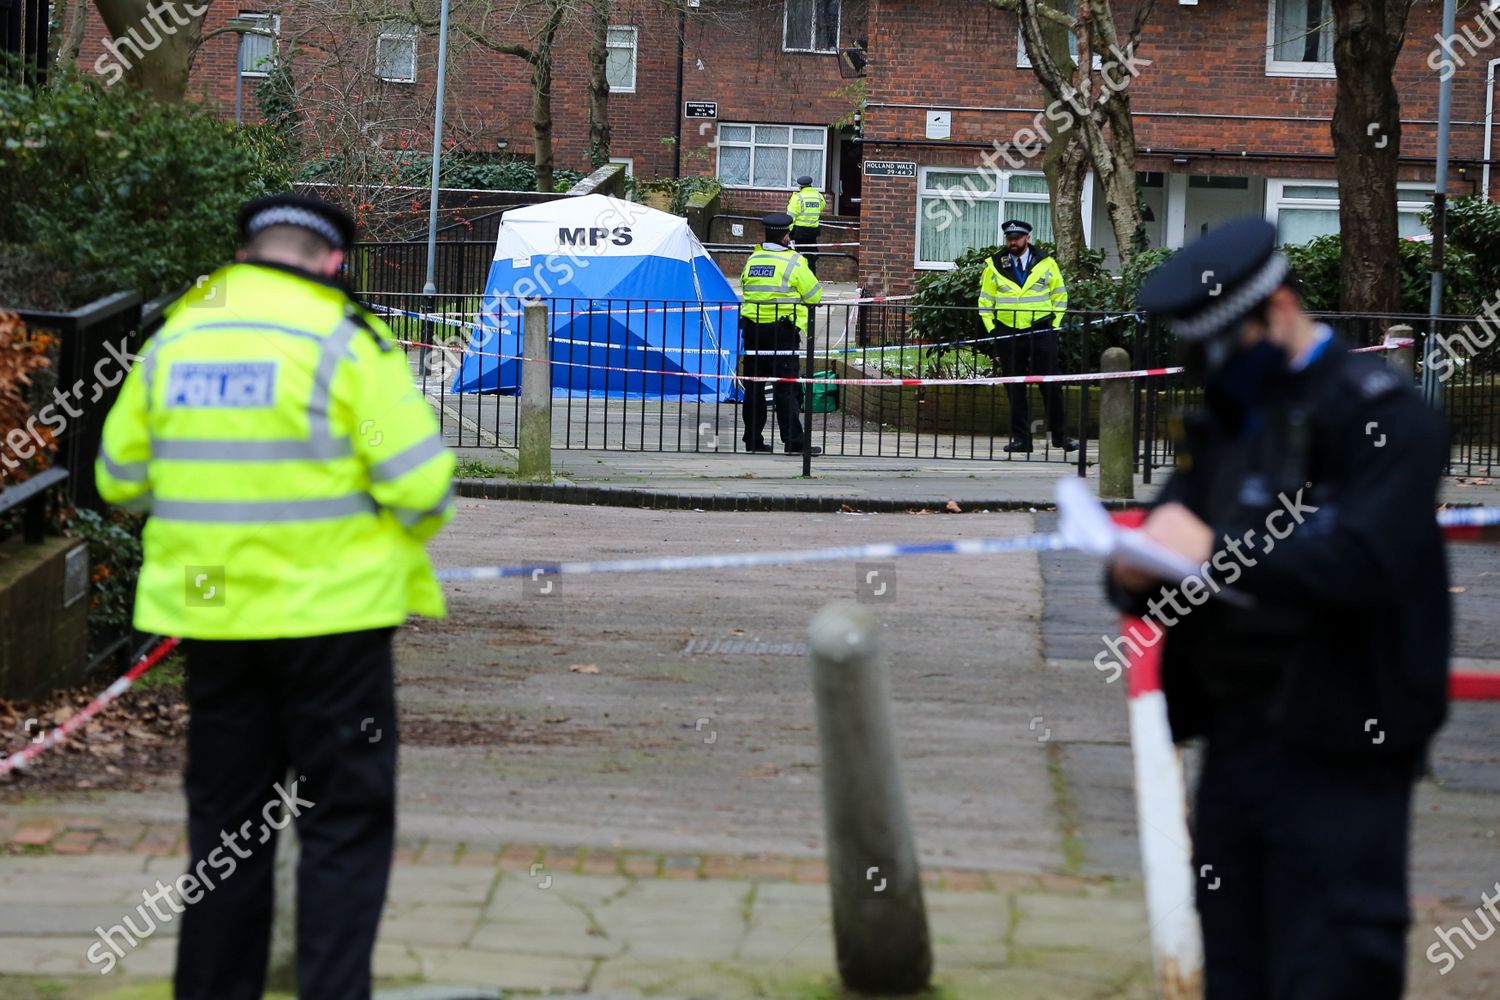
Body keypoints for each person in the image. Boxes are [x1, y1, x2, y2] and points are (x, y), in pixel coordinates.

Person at [96, 193, 456, 1000]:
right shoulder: (346, 339)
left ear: (247, 253)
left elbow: (118, 477)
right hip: (337, 628)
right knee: (344, 824)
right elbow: (422, 487)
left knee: (223, 833)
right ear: (334, 262)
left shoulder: (176, 337)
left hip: (214, 624)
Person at [1107, 217, 1450, 999]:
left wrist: (1217, 547)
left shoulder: (1383, 416)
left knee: (1328, 962)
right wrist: (1131, 569)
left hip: (1343, 741)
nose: (1220, 366)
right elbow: (1171, 541)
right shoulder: (1230, 417)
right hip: (1236, 734)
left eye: (1231, 343)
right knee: (1235, 955)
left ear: (1281, 306)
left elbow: (1365, 560)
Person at [978, 219, 1077, 453]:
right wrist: (994, 330)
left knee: (1051, 384)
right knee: (1014, 386)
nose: (1013, 242)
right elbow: (985, 301)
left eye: (1017, 238)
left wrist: (1055, 324)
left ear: (1027, 238)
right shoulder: (994, 265)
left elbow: (1060, 295)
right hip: (1007, 330)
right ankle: (1022, 439)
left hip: (1041, 329)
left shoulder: (1046, 263)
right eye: (1009, 238)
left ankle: (1061, 437)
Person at [739, 212, 823, 456]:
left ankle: (753, 441)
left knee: (754, 386)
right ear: (786, 236)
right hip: (782, 332)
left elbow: (746, 287)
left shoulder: (753, 259)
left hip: (753, 331)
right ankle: (794, 442)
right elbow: (815, 296)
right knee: (785, 387)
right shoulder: (794, 262)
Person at [787, 174, 826, 276]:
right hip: (813, 232)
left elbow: (791, 217)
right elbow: (822, 207)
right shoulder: (818, 196)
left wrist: (788, 231)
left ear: (800, 186)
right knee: (811, 256)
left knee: (796, 256)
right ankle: (811, 276)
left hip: (799, 232)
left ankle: (798, 277)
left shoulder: (797, 197)